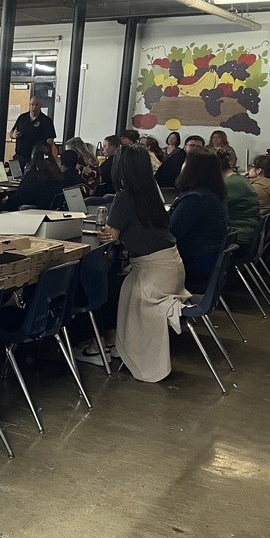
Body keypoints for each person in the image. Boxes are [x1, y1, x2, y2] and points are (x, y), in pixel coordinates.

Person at [99, 144, 189, 382]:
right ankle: (114, 341)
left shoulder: (125, 197)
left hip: (153, 275)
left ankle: (105, 341)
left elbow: (111, 235)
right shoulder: (152, 193)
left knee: (111, 289)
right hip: (172, 268)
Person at [169, 148, 228, 292]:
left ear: (192, 169)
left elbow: (171, 233)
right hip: (205, 258)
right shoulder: (214, 194)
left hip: (193, 262)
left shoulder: (195, 198)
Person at [218, 149, 259, 256]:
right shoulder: (237, 179)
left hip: (237, 239)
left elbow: (211, 210)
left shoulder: (229, 184)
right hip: (244, 234)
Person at [2, 143, 64, 210]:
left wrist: (7, 199)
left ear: (33, 156)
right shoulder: (58, 175)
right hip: (48, 212)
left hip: (29, 212)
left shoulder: (35, 177)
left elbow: (19, 198)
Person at [9, 96, 56, 167]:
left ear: (41, 106)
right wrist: (13, 135)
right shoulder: (22, 118)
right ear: (29, 105)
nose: (34, 107)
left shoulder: (46, 121)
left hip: (35, 159)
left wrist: (45, 153)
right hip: (19, 157)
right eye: (32, 104)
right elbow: (11, 133)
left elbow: (50, 140)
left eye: (37, 105)